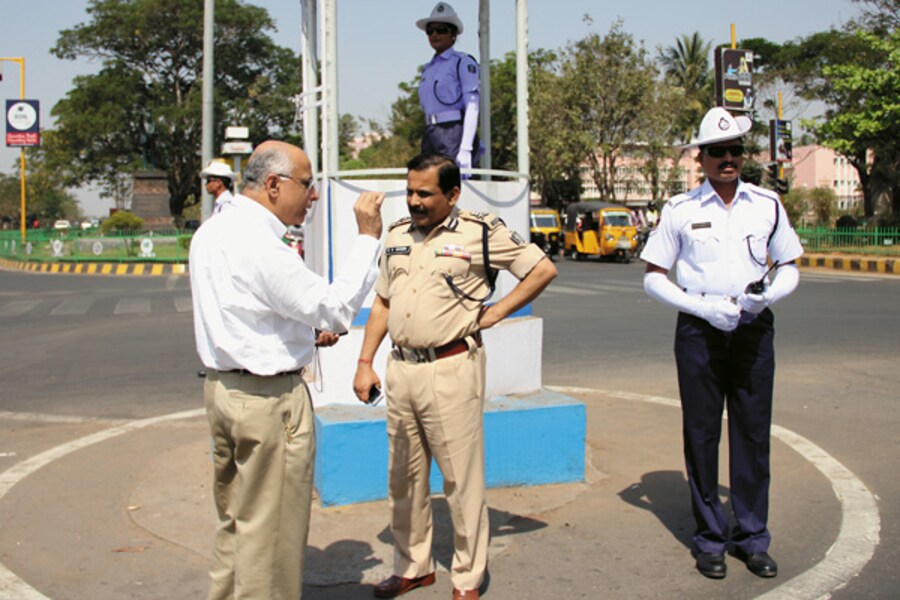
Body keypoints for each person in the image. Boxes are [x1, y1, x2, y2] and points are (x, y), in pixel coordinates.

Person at [353, 153, 557, 600]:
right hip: (401, 369)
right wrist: (365, 361)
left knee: (460, 480)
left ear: (452, 194)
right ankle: (413, 566)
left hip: (451, 368)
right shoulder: (396, 235)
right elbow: (383, 303)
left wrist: (498, 312)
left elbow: (541, 268)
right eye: (409, 191)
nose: (414, 201)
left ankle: (467, 575)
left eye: (424, 193)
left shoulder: (480, 231)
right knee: (403, 478)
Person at [190, 140, 384, 600]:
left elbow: (245, 316)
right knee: (272, 540)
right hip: (267, 403)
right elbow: (335, 310)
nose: (313, 195)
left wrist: (301, 337)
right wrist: (368, 237)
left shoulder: (213, 231)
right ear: (274, 185)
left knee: (237, 526)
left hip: (225, 391)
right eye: (307, 184)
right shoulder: (258, 243)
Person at [640, 107, 804, 580]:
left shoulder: (767, 204)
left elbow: (790, 263)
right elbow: (654, 278)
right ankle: (710, 537)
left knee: (753, 436)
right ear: (701, 157)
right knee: (702, 433)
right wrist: (703, 308)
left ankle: (752, 537)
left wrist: (769, 295)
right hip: (699, 329)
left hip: (753, 327)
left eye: (735, 151)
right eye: (717, 152)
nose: (727, 159)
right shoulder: (681, 210)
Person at [416, 3, 481, 173]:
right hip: (431, 131)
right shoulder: (427, 68)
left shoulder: (462, 62)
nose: (435, 34)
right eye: (430, 31)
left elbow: (472, 106)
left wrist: (466, 148)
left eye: (441, 30)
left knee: (450, 184)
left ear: (453, 33)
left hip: (453, 131)